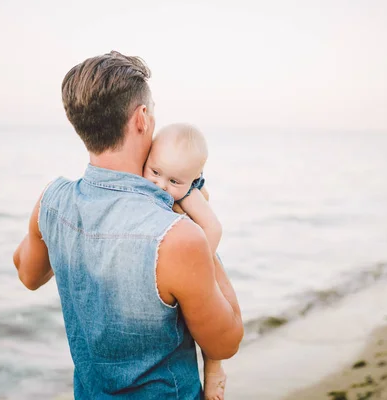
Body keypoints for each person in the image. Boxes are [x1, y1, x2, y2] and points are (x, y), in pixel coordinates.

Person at [13, 51, 243, 399]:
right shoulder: (176, 235)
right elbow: (226, 341)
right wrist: (197, 227)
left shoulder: (51, 201)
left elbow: (28, 275)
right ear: (142, 119)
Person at [143, 123, 227, 399]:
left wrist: (199, 271)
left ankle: (214, 370)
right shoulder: (155, 174)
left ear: (195, 179)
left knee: (206, 317)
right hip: (183, 252)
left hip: (200, 255)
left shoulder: (190, 194)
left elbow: (213, 228)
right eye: (155, 172)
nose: (161, 186)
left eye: (174, 182)